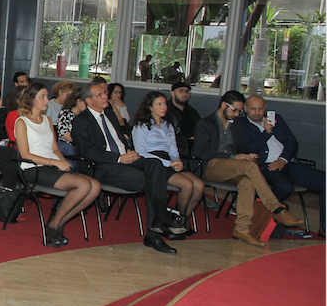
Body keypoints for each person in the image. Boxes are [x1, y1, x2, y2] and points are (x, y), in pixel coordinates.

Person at [70, 81, 180, 254]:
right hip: (103, 166)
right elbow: (88, 152)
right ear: (89, 101)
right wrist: (120, 158)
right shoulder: (81, 121)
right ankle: (156, 228)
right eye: (100, 95)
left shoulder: (110, 114)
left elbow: (120, 140)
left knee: (155, 164)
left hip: (125, 159)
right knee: (151, 179)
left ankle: (158, 223)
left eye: (105, 92)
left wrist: (129, 152)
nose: (106, 96)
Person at [192, 91, 304, 247]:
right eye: (235, 110)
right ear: (224, 105)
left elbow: (241, 148)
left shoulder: (235, 123)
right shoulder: (205, 123)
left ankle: (242, 229)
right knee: (248, 166)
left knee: (247, 183)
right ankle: (276, 209)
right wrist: (234, 157)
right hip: (210, 166)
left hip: (231, 167)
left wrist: (247, 154)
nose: (238, 114)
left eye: (239, 111)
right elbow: (200, 152)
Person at [15, 83, 101, 248]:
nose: (47, 100)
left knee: (95, 186)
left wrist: (63, 161)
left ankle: (60, 221)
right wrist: (55, 162)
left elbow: (54, 148)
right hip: (32, 169)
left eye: (47, 96)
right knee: (83, 185)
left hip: (51, 165)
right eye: (42, 97)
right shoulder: (22, 122)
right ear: (31, 99)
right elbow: (25, 155)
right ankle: (54, 224)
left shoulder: (47, 120)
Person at [240, 94, 325, 236]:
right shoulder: (241, 125)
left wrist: (283, 159)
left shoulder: (276, 119)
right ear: (246, 108)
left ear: (265, 108)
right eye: (253, 109)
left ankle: (324, 227)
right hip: (265, 167)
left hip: (287, 163)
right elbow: (249, 149)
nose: (257, 112)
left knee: (324, 180)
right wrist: (266, 133)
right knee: (285, 187)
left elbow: (292, 143)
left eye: (260, 109)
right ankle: (264, 212)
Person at [132, 91, 205, 228]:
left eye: (165, 103)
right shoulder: (141, 126)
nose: (164, 107)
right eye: (159, 104)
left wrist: (176, 161)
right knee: (187, 185)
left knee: (199, 185)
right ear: (150, 107)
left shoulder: (168, 125)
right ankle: (179, 221)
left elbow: (173, 149)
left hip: (170, 160)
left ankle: (182, 217)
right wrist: (168, 163)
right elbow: (141, 152)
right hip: (154, 163)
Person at [166, 81, 200, 156]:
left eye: (187, 91)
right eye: (181, 91)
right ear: (173, 93)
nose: (185, 94)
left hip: (193, 145)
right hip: (176, 147)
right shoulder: (166, 111)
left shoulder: (192, 112)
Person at [55, 90, 85, 160]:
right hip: (67, 145)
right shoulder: (65, 113)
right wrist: (83, 141)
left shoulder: (85, 116)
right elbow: (64, 134)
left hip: (81, 145)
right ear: (78, 102)